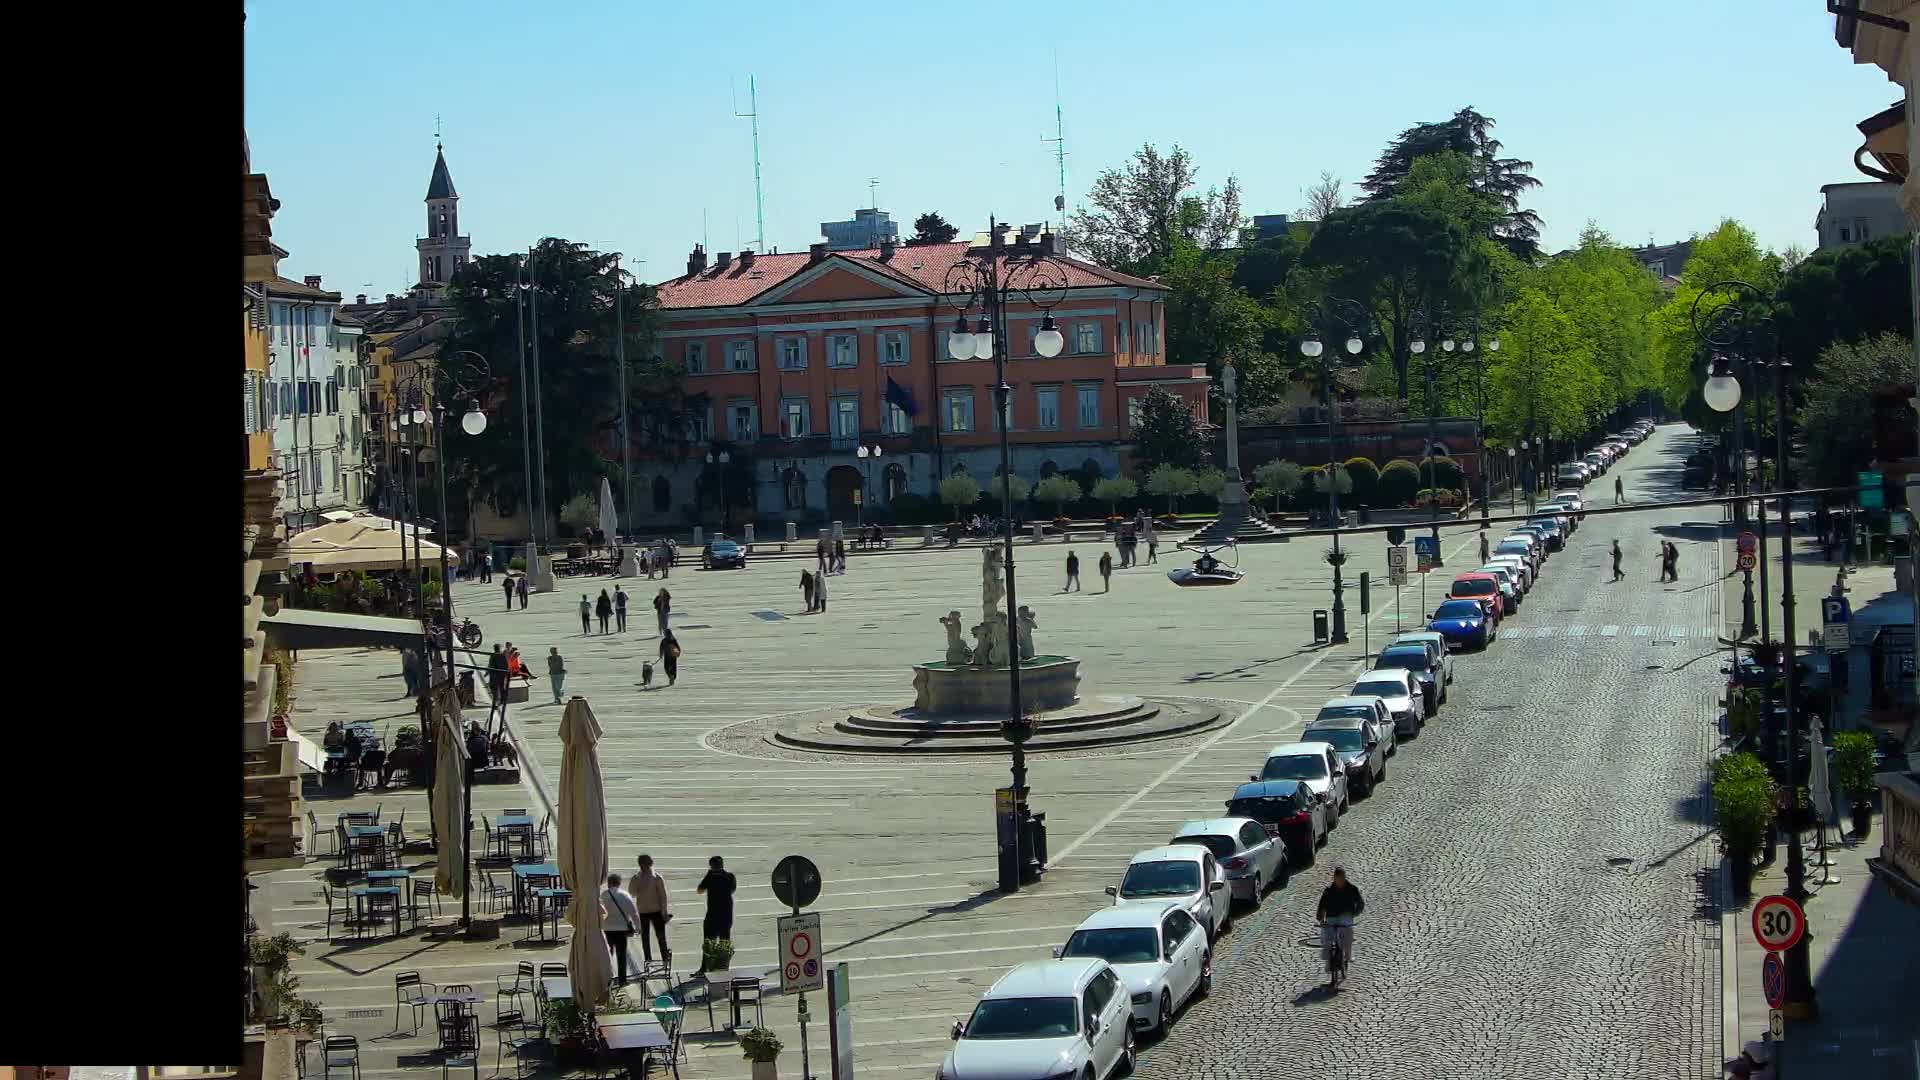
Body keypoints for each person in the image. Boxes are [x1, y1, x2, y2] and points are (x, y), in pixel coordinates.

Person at [1314, 865, 1364, 982]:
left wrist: (1354, 913)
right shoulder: (1328, 891)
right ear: (1334, 878)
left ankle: (1348, 955)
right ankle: (1327, 961)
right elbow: (1322, 906)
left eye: (1342, 879)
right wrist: (1321, 918)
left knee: (1347, 934)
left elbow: (1360, 903)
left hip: (1345, 917)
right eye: (1338, 879)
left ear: (1345, 877)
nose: (1340, 881)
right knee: (1326, 936)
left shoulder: (1352, 889)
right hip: (1331, 917)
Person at [631, 854, 672, 966]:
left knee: (661, 937)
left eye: (645, 865)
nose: (643, 867)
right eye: (642, 865)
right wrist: (635, 883)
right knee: (645, 938)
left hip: (656, 911)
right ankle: (648, 959)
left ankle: (665, 958)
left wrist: (664, 911)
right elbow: (632, 893)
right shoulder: (636, 877)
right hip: (643, 911)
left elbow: (663, 896)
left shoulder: (657, 878)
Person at [601, 873, 642, 986]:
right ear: (619, 883)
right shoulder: (625, 895)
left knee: (608, 955)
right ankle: (622, 980)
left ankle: (607, 978)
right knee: (622, 955)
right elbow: (634, 913)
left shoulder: (604, 895)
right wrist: (638, 927)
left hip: (607, 929)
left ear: (609, 883)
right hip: (621, 929)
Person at [696, 855, 737, 947]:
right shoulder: (730, 876)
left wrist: (708, 875)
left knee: (709, 944)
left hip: (712, 915)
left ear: (711, 866)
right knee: (725, 943)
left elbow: (699, 890)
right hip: (726, 914)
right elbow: (732, 890)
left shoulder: (710, 877)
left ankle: (709, 960)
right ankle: (723, 961)